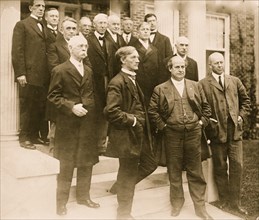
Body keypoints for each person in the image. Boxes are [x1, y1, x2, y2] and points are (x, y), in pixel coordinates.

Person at [148, 56, 213, 220]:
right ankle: (177, 204)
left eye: (183, 67)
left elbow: (206, 107)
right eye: (177, 67)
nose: (180, 70)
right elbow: (152, 111)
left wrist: (201, 123)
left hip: (193, 133)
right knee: (174, 171)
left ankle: (200, 208)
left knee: (195, 171)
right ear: (170, 69)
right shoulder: (160, 89)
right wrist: (163, 127)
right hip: (172, 134)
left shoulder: (194, 85)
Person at [48, 35, 100, 216]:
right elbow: (53, 97)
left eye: (86, 45)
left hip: (86, 123)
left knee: (87, 162)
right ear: (70, 48)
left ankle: (83, 197)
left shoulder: (89, 70)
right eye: (80, 46)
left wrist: (88, 107)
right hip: (68, 125)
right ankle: (61, 203)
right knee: (66, 164)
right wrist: (71, 107)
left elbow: (92, 93)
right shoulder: (60, 70)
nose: (84, 48)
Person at [104, 46, 156, 220]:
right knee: (127, 173)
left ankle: (120, 187)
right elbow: (111, 111)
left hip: (139, 135)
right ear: (123, 60)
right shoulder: (117, 82)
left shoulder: (133, 79)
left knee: (150, 163)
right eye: (133, 57)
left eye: (137, 57)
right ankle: (123, 214)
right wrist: (133, 120)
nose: (138, 60)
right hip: (127, 136)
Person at [199, 52, 251, 215]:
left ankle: (235, 203)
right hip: (217, 132)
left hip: (234, 132)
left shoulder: (234, 81)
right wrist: (209, 124)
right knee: (221, 168)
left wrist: (241, 116)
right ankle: (224, 201)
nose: (220, 65)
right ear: (210, 65)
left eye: (222, 62)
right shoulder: (203, 84)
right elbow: (201, 107)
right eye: (216, 63)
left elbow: (246, 102)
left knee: (237, 166)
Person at [12, 0, 49, 149]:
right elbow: (17, 51)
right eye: (38, 6)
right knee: (27, 106)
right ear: (30, 8)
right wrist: (20, 73)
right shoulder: (22, 25)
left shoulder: (44, 26)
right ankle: (24, 137)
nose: (41, 9)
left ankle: (34, 135)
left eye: (43, 7)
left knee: (39, 106)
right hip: (29, 74)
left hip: (43, 75)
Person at [87, 13, 110, 155]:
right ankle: (91, 145)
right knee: (93, 112)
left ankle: (102, 145)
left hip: (107, 80)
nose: (102, 26)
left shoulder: (110, 40)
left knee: (105, 111)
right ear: (94, 25)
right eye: (100, 23)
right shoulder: (88, 40)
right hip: (93, 81)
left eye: (104, 23)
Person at [132, 22, 159, 107]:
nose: (146, 31)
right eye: (143, 29)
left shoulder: (155, 49)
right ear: (137, 32)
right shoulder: (132, 47)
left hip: (152, 84)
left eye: (147, 29)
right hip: (138, 82)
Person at [144, 13, 173, 84]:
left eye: (154, 21)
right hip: (146, 76)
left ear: (157, 22)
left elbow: (169, 58)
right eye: (149, 21)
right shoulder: (142, 39)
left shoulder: (165, 39)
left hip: (161, 76)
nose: (152, 23)